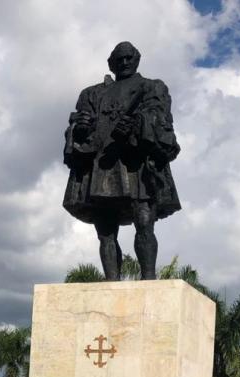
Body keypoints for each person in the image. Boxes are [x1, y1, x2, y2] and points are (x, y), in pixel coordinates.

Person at [62, 41, 181, 280]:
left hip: (136, 164)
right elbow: (77, 126)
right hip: (103, 166)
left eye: (129, 58)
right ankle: (111, 281)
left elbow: (161, 118)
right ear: (110, 63)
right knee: (105, 231)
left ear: (137, 59)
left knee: (144, 222)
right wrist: (81, 127)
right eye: (119, 59)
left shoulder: (151, 87)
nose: (124, 62)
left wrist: (140, 124)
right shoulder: (92, 93)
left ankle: (148, 279)